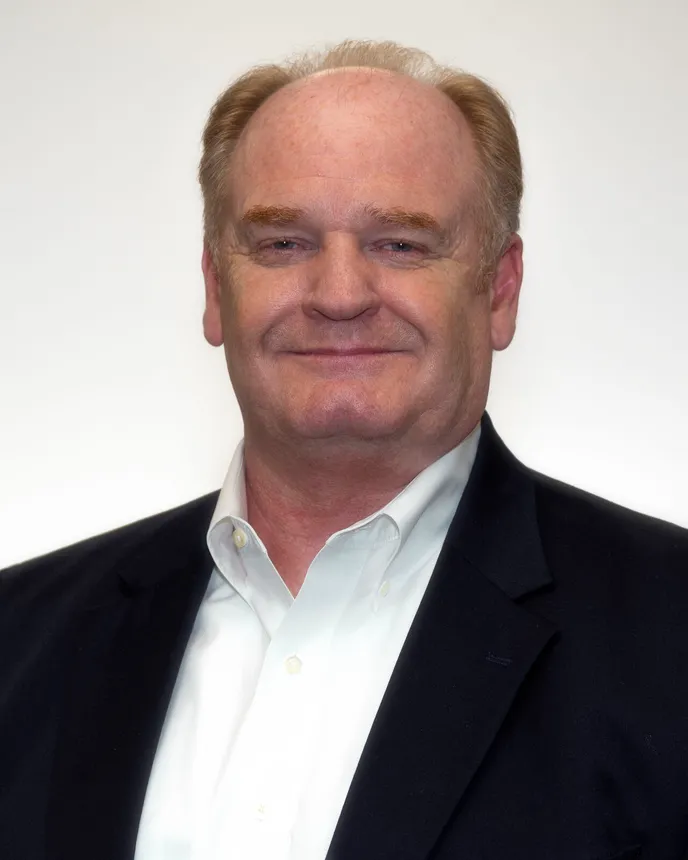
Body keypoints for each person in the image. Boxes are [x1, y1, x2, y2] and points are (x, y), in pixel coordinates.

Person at [1, 38, 687, 860]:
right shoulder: (19, 640)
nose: (338, 296)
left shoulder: (669, 633)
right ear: (217, 289)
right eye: (283, 243)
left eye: (400, 243)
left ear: (500, 291)